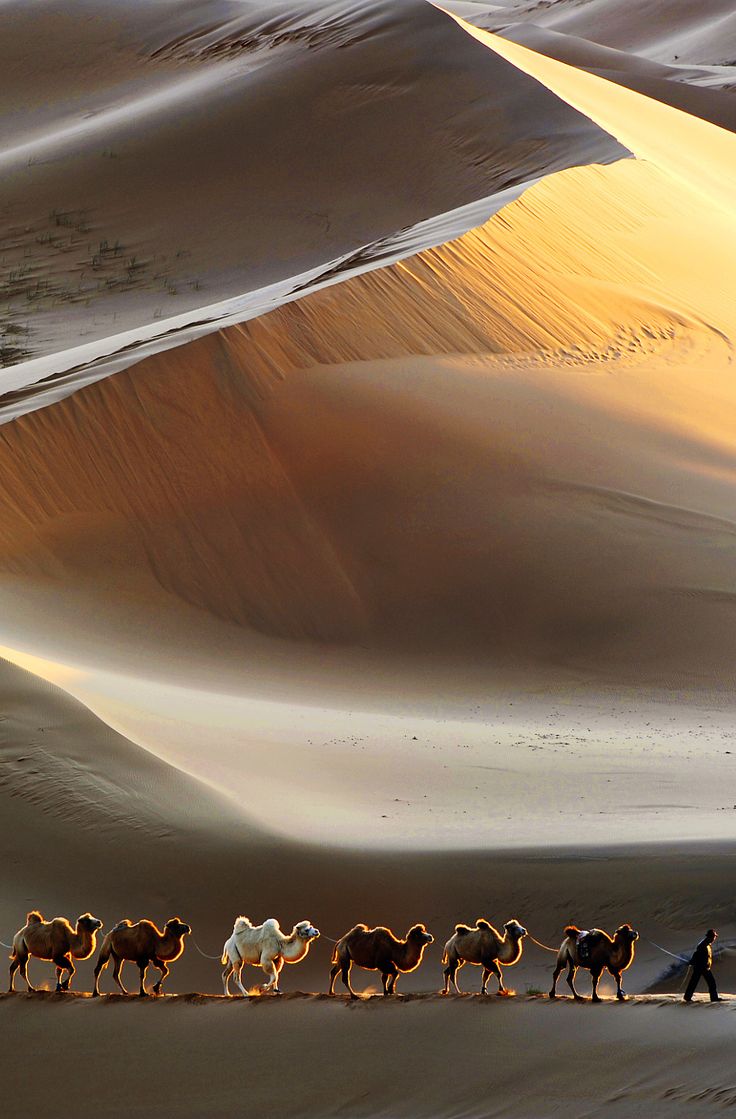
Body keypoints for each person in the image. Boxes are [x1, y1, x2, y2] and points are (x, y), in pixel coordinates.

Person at [683, 928, 721, 1002]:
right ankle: (713, 998)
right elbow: (696, 954)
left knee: (700, 982)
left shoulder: (707, 944)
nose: (715, 938)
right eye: (714, 937)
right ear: (710, 937)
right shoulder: (703, 945)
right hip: (700, 967)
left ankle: (688, 997)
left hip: (705, 967)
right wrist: (692, 961)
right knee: (707, 982)